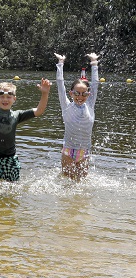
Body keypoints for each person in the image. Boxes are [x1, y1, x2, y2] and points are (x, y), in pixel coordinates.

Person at [54, 52, 100, 181]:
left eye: (84, 94)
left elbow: (95, 84)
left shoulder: (90, 105)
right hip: (68, 150)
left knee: (81, 185)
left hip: (84, 151)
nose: (80, 97)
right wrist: (60, 63)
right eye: (77, 93)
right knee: (67, 184)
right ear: (71, 93)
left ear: (88, 94)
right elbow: (60, 84)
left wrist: (94, 63)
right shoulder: (66, 105)